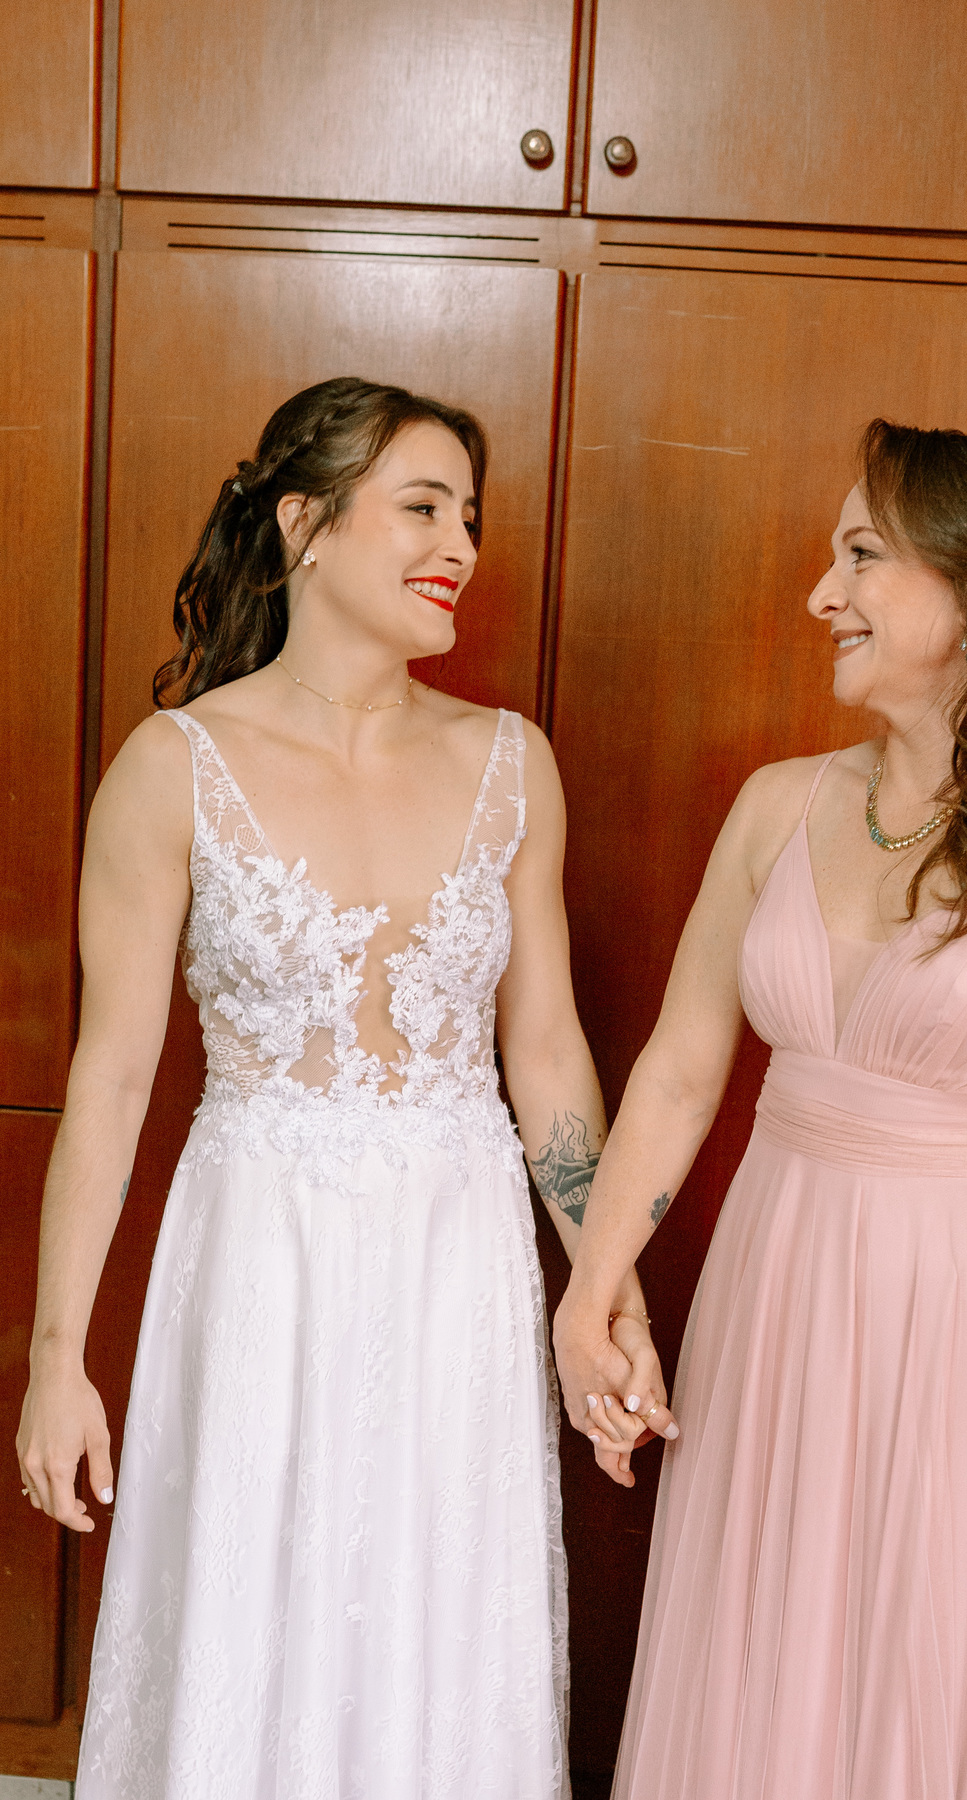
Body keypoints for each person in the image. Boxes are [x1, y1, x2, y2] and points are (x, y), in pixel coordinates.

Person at [16, 376, 671, 1798]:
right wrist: (57, 1359)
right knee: (256, 1615)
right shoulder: (174, 769)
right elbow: (111, 1081)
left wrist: (603, 1283)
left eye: (471, 518)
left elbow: (545, 1047)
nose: (461, 548)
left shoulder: (511, 763)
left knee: (439, 1624)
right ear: (304, 521)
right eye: (423, 507)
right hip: (260, 1254)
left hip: (458, 1258)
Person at [553, 421, 967, 1800]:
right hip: (774, 1290)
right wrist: (591, 1289)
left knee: (923, 1675)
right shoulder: (777, 807)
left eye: (859, 557)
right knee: (753, 1655)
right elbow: (679, 1069)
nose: (819, 595)